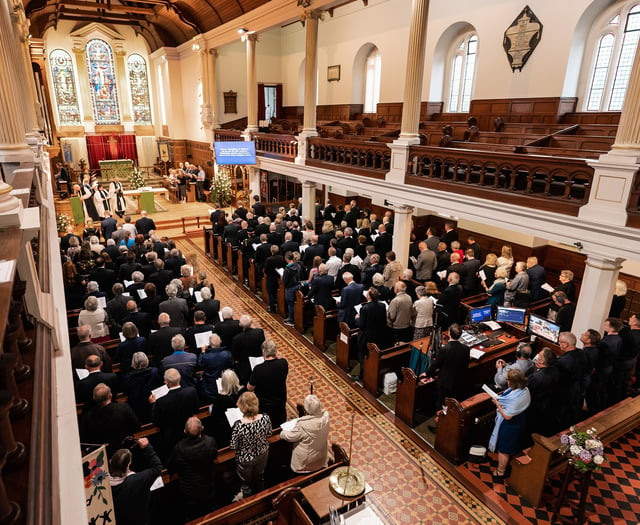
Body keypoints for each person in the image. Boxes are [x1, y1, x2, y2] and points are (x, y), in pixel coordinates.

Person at [167, 416, 218, 522]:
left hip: (189, 493)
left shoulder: (179, 449)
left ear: (185, 431)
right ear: (202, 428)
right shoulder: (210, 442)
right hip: (208, 488)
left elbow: (171, 467)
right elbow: (214, 455)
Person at [488, 369, 531, 480]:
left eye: (507, 379)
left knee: (504, 449)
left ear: (512, 382)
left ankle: (500, 471)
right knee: (508, 446)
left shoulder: (515, 398)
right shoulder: (524, 389)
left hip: (511, 425)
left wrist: (498, 404)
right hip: (520, 420)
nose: (506, 381)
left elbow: (507, 416)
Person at [229, 391, 272, 500]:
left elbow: (233, 445)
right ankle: (260, 499)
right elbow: (269, 433)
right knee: (259, 477)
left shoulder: (238, 425)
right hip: (262, 453)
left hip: (245, 458)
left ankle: (249, 502)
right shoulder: (265, 418)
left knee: (246, 482)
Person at [110, 438, 162, 525]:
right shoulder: (137, 480)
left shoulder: (104, 485)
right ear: (129, 464)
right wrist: (147, 447)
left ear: (111, 462)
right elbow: (157, 468)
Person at [150, 368, 199, 461]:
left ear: (166, 383)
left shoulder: (160, 402)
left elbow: (156, 422)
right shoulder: (191, 391)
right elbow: (195, 410)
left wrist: (153, 404)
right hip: (188, 432)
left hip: (170, 437)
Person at [80, 383, 140, 456]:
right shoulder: (124, 408)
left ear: (94, 398)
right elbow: (136, 427)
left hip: (103, 455)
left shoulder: (87, 417)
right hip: (125, 450)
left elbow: (85, 440)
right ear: (110, 395)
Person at [280, 395, 330, 473]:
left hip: (306, 461)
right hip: (320, 455)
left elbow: (290, 437)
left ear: (307, 409)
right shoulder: (326, 416)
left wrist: (282, 433)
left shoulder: (302, 425)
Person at [426, 324, 470, 411]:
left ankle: (440, 421)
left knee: (441, 404)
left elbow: (435, 365)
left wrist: (428, 373)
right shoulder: (466, 348)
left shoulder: (445, 349)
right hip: (459, 380)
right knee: (453, 404)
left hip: (445, 382)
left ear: (449, 333)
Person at [247, 340, 289, 428]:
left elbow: (250, 388)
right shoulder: (283, 363)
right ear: (275, 351)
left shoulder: (258, 369)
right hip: (280, 404)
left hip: (265, 406)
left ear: (263, 353)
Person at [121, 352, 162, 423]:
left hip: (137, 406)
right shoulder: (154, 371)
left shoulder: (127, 377)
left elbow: (125, 391)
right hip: (152, 403)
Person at [207, 370, 244, 448]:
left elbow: (214, 415)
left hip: (225, 428)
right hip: (241, 425)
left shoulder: (220, 398)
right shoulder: (242, 392)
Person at [198, 334, 233, 402]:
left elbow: (200, 364)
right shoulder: (227, 354)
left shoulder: (206, 356)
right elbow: (231, 364)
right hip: (224, 381)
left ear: (210, 344)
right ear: (220, 342)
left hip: (210, 384)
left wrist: (202, 352)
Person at [282, 251, 302, 326]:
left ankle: (291, 320)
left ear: (287, 259)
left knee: (290, 305)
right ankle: (292, 318)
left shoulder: (287, 269)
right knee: (295, 304)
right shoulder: (297, 265)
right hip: (297, 286)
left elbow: (284, 281)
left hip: (290, 288)